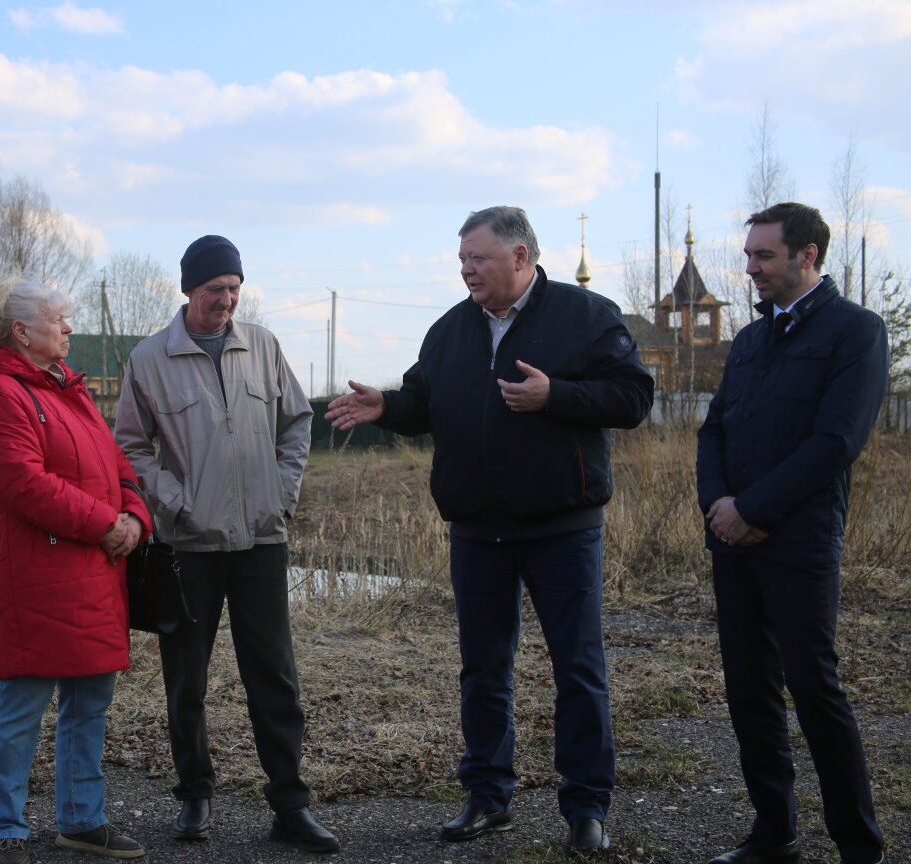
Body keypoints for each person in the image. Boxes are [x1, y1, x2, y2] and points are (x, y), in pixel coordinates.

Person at [326, 206, 653, 855]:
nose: (466, 269)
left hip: (562, 527)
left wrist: (555, 394)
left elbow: (634, 398)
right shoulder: (450, 330)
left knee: (578, 668)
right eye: (463, 260)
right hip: (477, 530)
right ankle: (486, 796)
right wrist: (386, 407)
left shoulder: (585, 317)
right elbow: (425, 402)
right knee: (483, 670)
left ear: (521, 258)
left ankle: (586, 808)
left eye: (478, 258)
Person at [114, 235, 338, 854]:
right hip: (188, 546)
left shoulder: (261, 345)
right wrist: (174, 502)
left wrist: (283, 492)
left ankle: (291, 804)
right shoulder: (149, 359)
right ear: (189, 290)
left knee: (275, 675)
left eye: (235, 288)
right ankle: (194, 798)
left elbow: (296, 422)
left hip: (262, 540)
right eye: (216, 289)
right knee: (186, 678)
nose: (228, 300)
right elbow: (128, 449)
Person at [697, 203, 887, 864]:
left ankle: (859, 847)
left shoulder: (854, 333)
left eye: (763, 256)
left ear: (807, 256)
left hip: (799, 545)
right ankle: (773, 834)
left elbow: (835, 442)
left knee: (814, 691)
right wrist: (719, 504)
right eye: (749, 255)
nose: (750, 268)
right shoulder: (749, 341)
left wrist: (753, 509)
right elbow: (714, 429)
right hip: (734, 542)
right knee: (749, 690)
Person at [0, 271, 151, 864]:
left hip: (93, 570)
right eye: (58, 319)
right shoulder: (0, 395)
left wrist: (136, 519)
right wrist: (106, 524)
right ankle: (4, 829)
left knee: (89, 702)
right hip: (34, 573)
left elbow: (118, 462)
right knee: (21, 705)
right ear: (22, 331)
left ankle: (81, 820)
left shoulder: (68, 390)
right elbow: (23, 483)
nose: (69, 328)